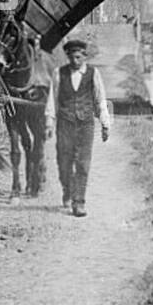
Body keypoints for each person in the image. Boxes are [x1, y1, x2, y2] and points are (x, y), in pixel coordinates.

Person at [46, 38, 111, 217]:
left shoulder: (93, 73)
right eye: (72, 58)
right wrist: (49, 123)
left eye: (79, 57)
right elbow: (53, 98)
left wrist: (105, 124)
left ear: (84, 57)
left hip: (85, 125)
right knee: (64, 163)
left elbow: (100, 99)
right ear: (68, 56)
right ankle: (67, 190)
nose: (75, 61)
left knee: (82, 164)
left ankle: (79, 202)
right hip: (65, 124)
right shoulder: (59, 73)